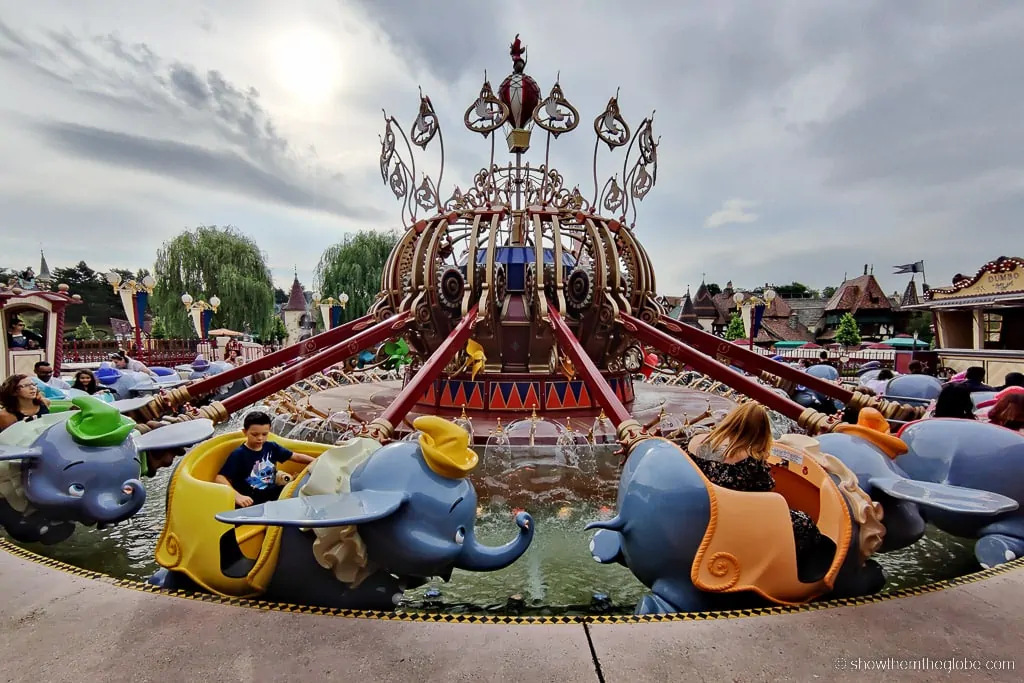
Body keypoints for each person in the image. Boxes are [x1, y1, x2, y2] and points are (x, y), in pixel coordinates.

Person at [688, 402, 825, 555]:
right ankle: (792, 563)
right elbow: (768, 491)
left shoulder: (695, 442)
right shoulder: (749, 460)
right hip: (736, 517)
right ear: (759, 432)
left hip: (701, 508)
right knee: (803, 522)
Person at [215, 411, 314, 508]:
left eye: (264, 434)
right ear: (245, 432)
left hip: (272, 493)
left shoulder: (271, 447)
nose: (260, 438)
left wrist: (317, 461)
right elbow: (220, 478)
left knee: (304, 491)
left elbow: (295, 456)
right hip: (251, 500)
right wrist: (237, 496)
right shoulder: (239, 454)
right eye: (255, 434)